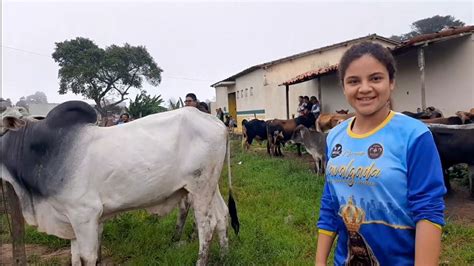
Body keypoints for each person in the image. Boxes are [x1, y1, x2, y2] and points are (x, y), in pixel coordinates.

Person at [315, 42, 445, 265]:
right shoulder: (335, 136)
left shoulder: (414, 135)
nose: (364, 88)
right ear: (343, 87)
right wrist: (319, 262)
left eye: (375, 78)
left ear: (391, 82)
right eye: (354, 81)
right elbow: (330, 203)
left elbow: (428, 211)